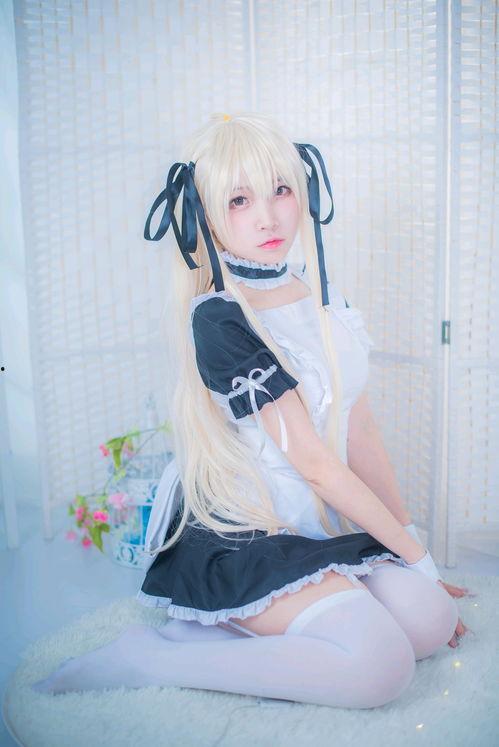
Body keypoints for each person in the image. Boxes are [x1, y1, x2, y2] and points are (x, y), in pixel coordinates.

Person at [32, 112, 470, 706]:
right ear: (208, 216)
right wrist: (417, 563)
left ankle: (239, 628)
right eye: (239, 200)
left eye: (280, 190)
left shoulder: (323, 295)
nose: (267, 217)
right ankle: (151, 656)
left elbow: (360, 430)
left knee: (431, 621)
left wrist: (412, 547)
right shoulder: (220, 317)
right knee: (380, 668)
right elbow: (316, 466)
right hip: (248, 531)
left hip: (318, 523)